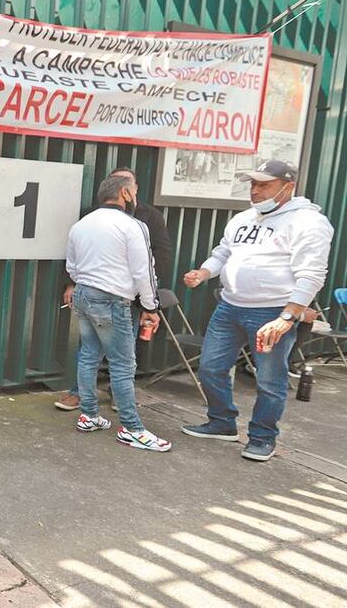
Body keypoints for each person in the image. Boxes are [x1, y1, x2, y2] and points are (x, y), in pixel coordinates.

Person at [180, 160, 333, 461]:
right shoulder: (243, 219)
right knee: (211, 367)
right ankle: (222, 423)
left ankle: (263, 438)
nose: (255, 190)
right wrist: (204, 273)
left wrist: (288, 317)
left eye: (264, 184)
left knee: (269, 379)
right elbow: (223, 253)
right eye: (253, 184)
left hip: (272, 312)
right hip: (229, 307)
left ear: (288, 186)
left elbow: (312, 274)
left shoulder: (307, 222)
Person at [65, 175, 171, 452]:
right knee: (123, 365)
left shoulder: (80, 225)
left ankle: (89, 415)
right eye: (134, 191)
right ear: (125, 193)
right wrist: (151, 306)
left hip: (84, 293)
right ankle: (132, 429)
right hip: (113, 299)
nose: (136, 196)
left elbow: (72, 267)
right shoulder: (133, 225)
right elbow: (144, 272)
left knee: (89, 355)